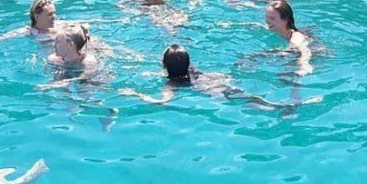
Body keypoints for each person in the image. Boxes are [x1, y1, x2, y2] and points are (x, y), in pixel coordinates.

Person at [118, 44, 320, 108]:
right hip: (216, 82)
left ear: (165, 65)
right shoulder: (192, 71)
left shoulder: (171, 84)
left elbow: (160, 102)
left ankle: (280, 107)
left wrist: (134, 93)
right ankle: (285, 105)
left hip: (212, 92)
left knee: (251, 102)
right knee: (250, 97)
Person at [265, 0, 315, 76]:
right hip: (290, 52)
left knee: (285, 76)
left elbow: (305, 50)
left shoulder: (297, 37)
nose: (267, 21)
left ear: (285, 20)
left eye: (272, 18)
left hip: (311, 54)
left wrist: (304, 65)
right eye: (266, 16)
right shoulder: (273, 26)